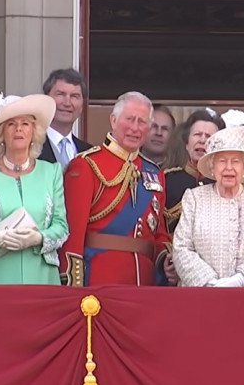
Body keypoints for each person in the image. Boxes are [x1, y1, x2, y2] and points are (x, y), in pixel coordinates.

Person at [60, 92, 172, 286]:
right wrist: (72, 283)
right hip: (100, 278)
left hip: (145, 282)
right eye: (129, 119)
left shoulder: (154, 172)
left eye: (142, 122)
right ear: (113, 120)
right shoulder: (86, 165)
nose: (135, 128)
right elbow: (73, 234)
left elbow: (158, 233)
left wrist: (165, 260)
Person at [0, 94, 68, 285]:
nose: (18, 129)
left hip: (41, 278)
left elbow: (62, 226)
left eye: (25, 123)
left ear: (34, 131)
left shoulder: (51, 172)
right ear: (1, 133)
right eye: (11, 124)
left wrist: (39, 238)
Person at [173, 126, 244, 286]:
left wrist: (241, 280)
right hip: (201, 296)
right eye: (222, 161)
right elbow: (181, 247)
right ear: (212, 166)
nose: (228, 168)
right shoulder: (194, 198)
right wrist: (208, 282)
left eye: (235, 161)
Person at [163, 110, 225, 233]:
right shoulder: (168, 180)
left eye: (209, 136)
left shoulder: (227, 183)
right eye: (197, 134)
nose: (202, 140)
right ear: (186, 143)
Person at [38, 68, 93, 167]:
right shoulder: (29, 147)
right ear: (46, 99)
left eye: (74, 96)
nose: (67, 103)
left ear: (82, 106)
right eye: (60, 94)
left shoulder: (89, 154)